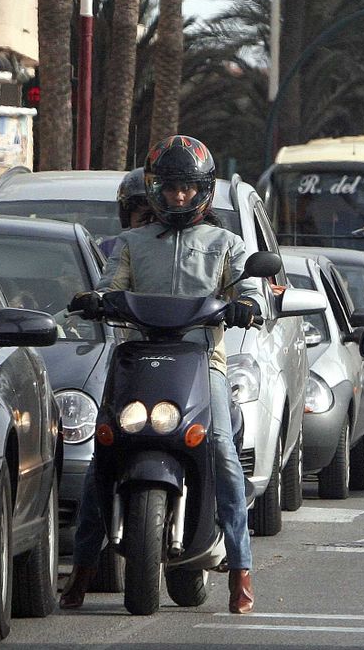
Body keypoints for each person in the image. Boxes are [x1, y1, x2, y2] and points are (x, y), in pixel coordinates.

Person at [62, 135, 266, 614]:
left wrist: (249, 306)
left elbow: (251, 285)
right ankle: (82, 572)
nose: (178, 196)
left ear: (203, 191)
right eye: (170, 187)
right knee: (104, 455)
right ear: (155, 189)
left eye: (187, 188)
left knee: (220, 449)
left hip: (202, 362)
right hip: (136, 357)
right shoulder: (131, 243)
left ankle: (240, 567)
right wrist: (96, 298)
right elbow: (110, 283)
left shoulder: (228, 243)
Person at [97, 167, 153, 259]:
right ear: (126, 216)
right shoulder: (108, 250)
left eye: (155, 216)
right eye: (142, 214)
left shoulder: (177, 254)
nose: (148, 221)